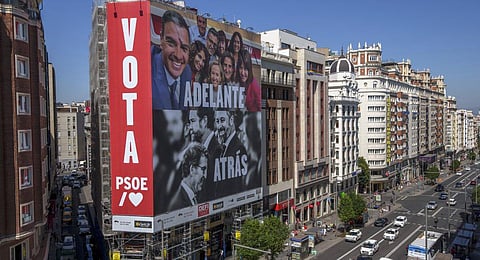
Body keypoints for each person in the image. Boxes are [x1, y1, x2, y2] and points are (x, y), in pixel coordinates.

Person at [151, 10, 192, 110]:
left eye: (184, 48)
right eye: (171, 44)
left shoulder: (187, 71)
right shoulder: (146, 65)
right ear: (161, 39)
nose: (178, 55)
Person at [188, 108, 222, 201]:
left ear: (204, 121)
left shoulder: (216, 151)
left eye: (193, 121)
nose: (190, 127)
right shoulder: (198, 149)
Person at [168, 143, 208, 211]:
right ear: (192, 169)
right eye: (203, 169)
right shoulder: (179, 205)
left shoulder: (191, 197)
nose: (205, 175)